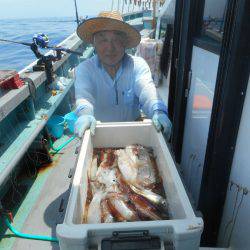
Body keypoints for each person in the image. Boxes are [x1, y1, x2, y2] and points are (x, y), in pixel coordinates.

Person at [74, 11, 172, 139]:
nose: (110, 47)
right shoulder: (84, 69)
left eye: (116, 39)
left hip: (133, 133)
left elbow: (148, 92)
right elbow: (84, 97)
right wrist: (85, 114)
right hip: (98, 134)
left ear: (125, 43)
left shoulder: (138, 65)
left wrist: (158, 111)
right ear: (94, 43)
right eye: (103, 40)